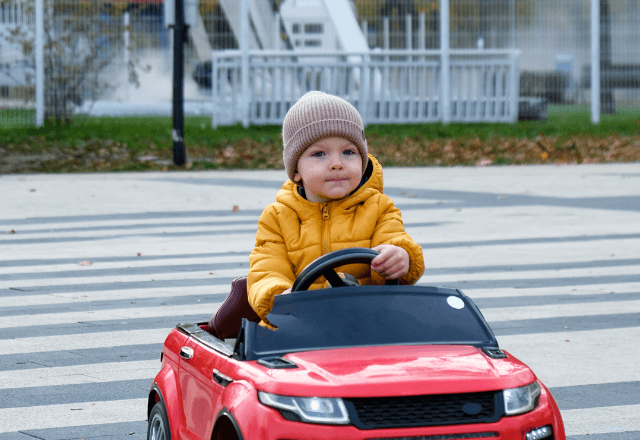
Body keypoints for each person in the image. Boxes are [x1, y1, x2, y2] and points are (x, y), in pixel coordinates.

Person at [248, 91, 425, 328]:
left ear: (362, 162)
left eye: (348, 152)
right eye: (319, 154)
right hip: (298, 324)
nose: (337, 163)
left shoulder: (379, 207)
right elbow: (265, 272)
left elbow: (395, 239)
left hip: (369, 322)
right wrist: (281, 297)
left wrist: (401, 257)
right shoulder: (277, 217)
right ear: (296, 169)